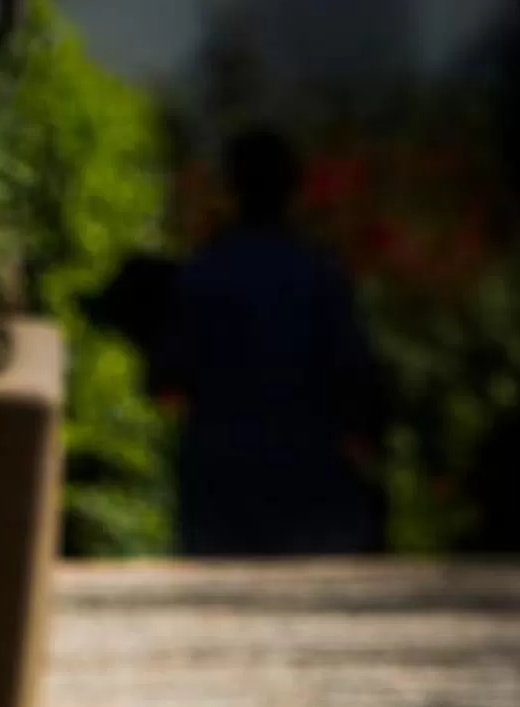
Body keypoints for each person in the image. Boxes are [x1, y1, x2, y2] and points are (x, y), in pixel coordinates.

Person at [162, 128, 388, 556]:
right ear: (293, 190)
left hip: (219, 481)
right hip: (307, 478)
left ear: (232, 189)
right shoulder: (318, 275)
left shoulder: (204, 272)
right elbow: (353, 372)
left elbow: (170, 375)